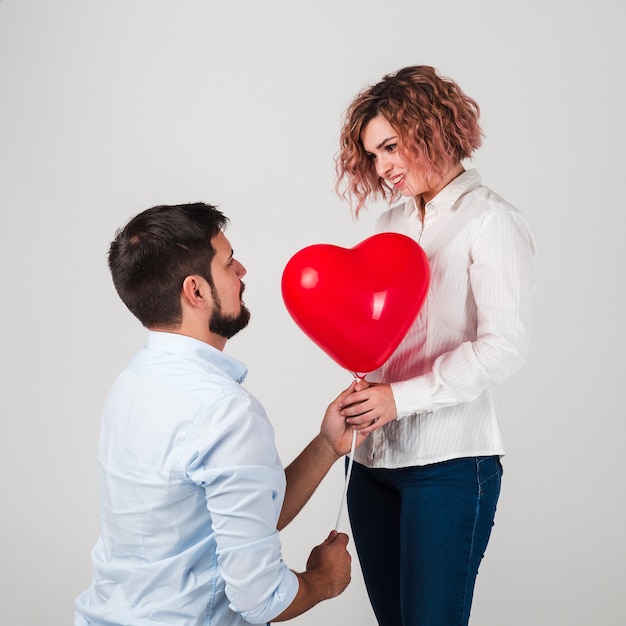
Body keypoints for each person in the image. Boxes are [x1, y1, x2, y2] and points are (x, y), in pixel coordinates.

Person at [74, 202, 367, 625]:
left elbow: (232, 525)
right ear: (196, 291)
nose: (242, 271)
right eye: (228, 263)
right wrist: (323, 580)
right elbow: (262, 599)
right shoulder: (225, 411)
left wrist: (326, 446)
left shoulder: (132, 383)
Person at [333, 65, 536, 625]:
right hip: (371, 460)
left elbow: (504, 346)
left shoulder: (491, 221)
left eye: (392, 147)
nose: (383, 167)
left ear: (435, 128)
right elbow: (373, 327)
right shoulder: (388, 224)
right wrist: (365, 384)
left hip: (449, 464)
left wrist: (399, 398)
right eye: (373, 155)